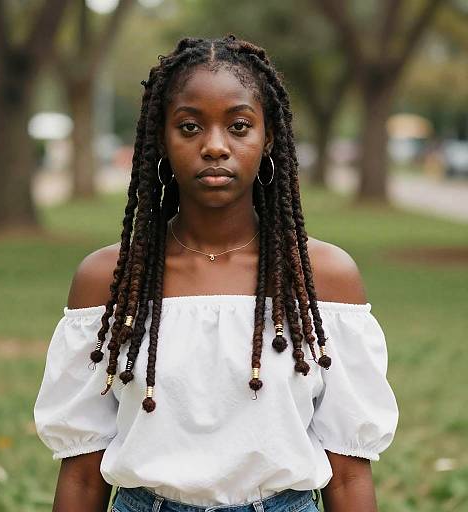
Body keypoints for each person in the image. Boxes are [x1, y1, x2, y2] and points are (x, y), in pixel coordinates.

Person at [34, 35, 398, 512]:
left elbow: (349, 476)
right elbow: (82, 475)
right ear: (160, 139)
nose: (214, 147)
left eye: (239, 126)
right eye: (189, 127)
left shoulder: (323, 278)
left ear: (268, 137)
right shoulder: (111, 280)